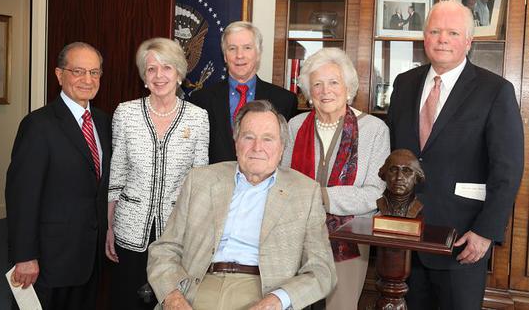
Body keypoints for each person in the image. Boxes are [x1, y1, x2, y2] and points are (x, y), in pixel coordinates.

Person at [388, 0, 524, 309]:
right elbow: (394, 153)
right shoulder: (404, 84)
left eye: (452, 32)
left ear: (469, 41)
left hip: (462, 240)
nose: (442, 40)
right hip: (404, 237)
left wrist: (485, 231)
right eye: (435, 31)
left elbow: (508, 169)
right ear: (425, 38)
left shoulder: (495, 91)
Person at [147, 100, 336, 310]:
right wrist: (173, 297)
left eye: (268, 139)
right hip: (196, 288)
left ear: (282, 147)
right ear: (236, 142)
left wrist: (277, 301)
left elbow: (322, 270)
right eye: (249, 137)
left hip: (263, 292)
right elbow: (164, 250)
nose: (257, 147)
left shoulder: (305, 192)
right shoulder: (200, 180)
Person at [5, 42, 111, 310]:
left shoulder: (103, 122)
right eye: (78, 71)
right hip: (49, 261)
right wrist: (25, 256)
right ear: (59, 74)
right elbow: (22, 197)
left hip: (88, 256)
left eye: (95, 72)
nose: (87, 80)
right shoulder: (38, 126)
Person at [282, 47, 390, 310]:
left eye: (333, 82)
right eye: (317, 84)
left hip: (349, 239)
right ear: (308, 93)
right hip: (294, 239)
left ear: (348, 87)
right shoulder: (294, 126)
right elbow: (281, 181)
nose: (325, 90)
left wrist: (322, 196)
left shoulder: (374, 129)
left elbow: (375, 192)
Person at [106, 38, 209, 310]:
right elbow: (116, 177)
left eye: (167, 68)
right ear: (143, 76)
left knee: (171, 301)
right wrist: (109, 227)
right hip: (129, 229)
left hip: (177, 232)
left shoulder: (198, 118)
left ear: (178, 74)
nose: (159, 75)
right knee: (127, 299)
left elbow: (199, 182)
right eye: (151, 69)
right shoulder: (125, 113)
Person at [190, 21, 298, 164]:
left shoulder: (285, 101)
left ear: (258, 54)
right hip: (215, 182)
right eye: (232, 48)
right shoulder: (200, 100)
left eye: (247, 48)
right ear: (224, 56)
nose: (239, 55)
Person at [376, 149, 424, 218]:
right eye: (393, 170)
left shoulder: (417, 207)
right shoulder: (380, 204)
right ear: (384, 174)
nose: (399, 177)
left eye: (406, 171)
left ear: (416, 177)